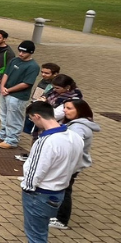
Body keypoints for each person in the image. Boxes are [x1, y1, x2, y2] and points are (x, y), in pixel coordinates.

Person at [5, 102, 82, 243]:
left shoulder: (45, 141)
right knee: (39, 230)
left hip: (40, 192)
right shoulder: (74, 136)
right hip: (59, 190)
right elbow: (79, 163)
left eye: (32, 119)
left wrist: (27, 186)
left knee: (36, 232)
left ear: (37, 116)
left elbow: (35, 169)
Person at [50, 99, 99, 230]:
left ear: (80, 111)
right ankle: (58, 215)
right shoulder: (77, 124)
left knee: (64, 190)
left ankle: (61, 220)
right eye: (65, 107)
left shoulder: (77, 127)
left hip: (70, 165)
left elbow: (72, 146)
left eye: (69, 108)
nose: (65, 110)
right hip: (71, 165)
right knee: (64, 189)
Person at [0, 40, 40, 150]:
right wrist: (3, 87)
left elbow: (26, 83)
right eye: (20, 51)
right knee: (3, 115)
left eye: (24, 52)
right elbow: (6, 74)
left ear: (31, 52)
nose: (21, 54)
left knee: (14, 118)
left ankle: (12, 140)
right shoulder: (14, 60)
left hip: (18, 96)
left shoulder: (33, 66)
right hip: (5, 92)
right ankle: (3, 134)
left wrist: (9, 90)